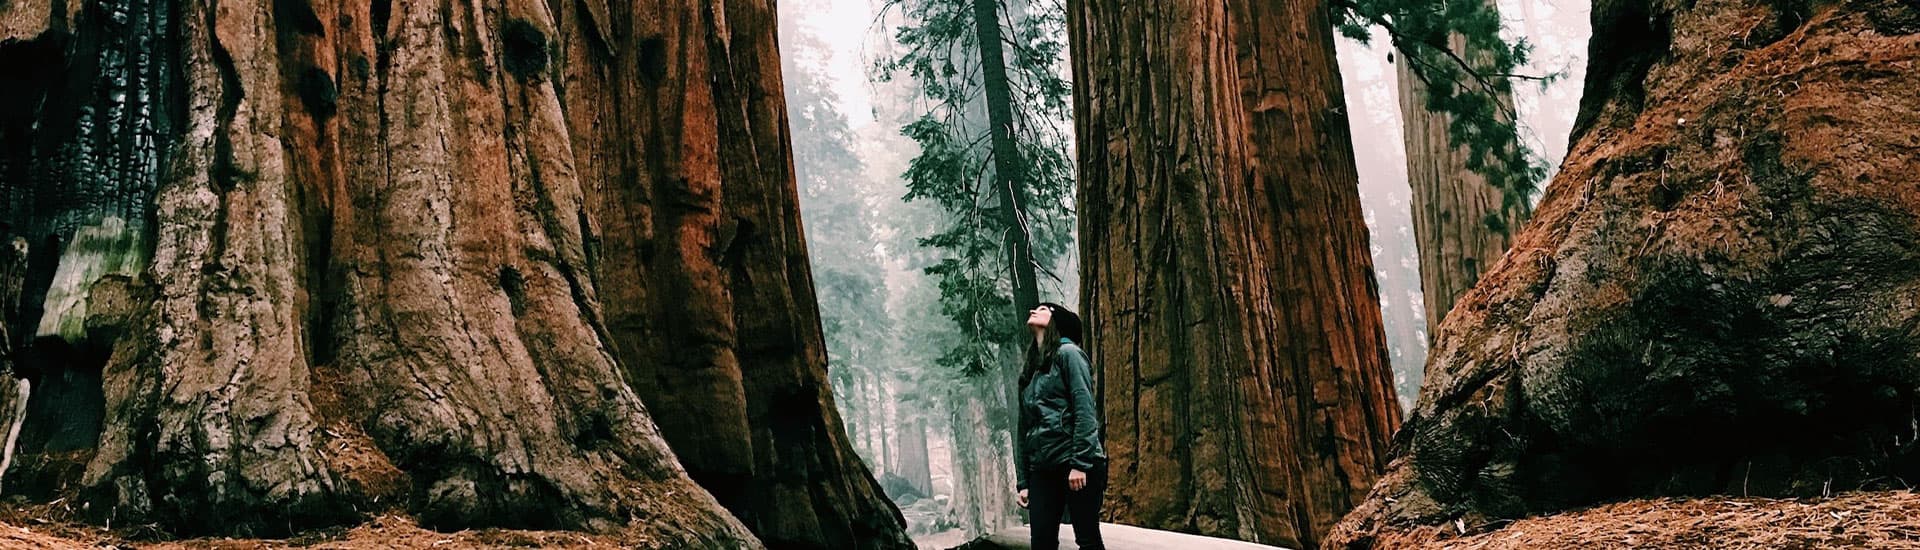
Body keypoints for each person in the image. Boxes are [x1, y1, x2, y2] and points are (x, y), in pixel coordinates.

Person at [1015, 302, 1106, 550]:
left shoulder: (1069, 354)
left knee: (1087, 539)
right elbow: (1024, 428)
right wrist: (1023, 481)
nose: (1034, 310)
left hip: (1075, 464)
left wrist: (1080, 464)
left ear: (1056, 322)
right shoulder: (1030, 368)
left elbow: (1085, 411)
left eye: (1043, 309)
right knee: (1041, 542)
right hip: (1042, 469)